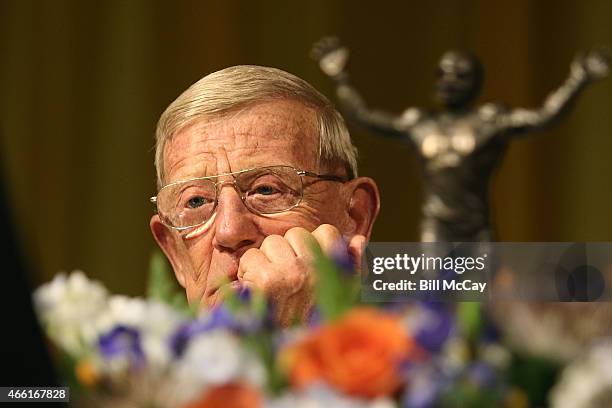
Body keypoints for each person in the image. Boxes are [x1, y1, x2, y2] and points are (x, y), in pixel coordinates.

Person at [312, 38, 609, 242]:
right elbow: (365, 116)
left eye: (460, 76)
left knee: (482, 304)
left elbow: (544, 116)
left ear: (476, 83)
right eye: (442, 74)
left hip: (477, 229)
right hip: (437, 226)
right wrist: (340, 77)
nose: (449, 82)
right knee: (433, 296)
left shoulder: (491, 121)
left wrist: (578, 78)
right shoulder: (420, 123)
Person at [149, 65, 380, 326]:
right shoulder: (121, 364)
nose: (229, 231)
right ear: (176, 256)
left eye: (266, 190)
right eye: (196, 201)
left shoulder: (425, 348)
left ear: (354, 216)